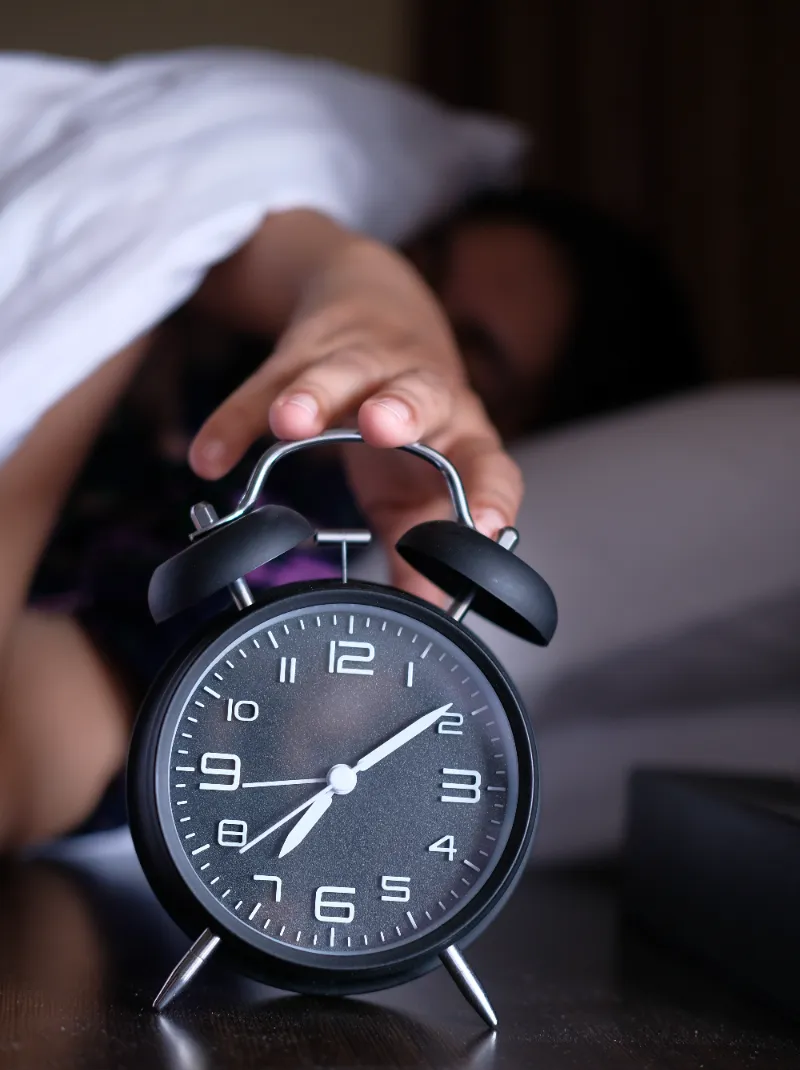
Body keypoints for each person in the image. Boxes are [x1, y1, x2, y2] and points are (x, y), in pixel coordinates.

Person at [4, 48, 786, 859]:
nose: (417, 331)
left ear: (517, 427)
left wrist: (98, 331)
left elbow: (18, 759)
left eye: (472, 350)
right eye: (426, 270)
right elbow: (206, 194)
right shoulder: (287, 283)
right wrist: (347, 271)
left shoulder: (278, 604)